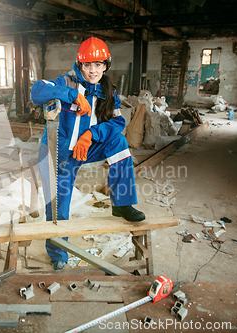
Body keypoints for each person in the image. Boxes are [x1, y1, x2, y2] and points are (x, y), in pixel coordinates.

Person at [31, 37, 145, 270]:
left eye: (98, 64)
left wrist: (91, 135)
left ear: (106, 66)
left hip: (86, 148)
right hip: (58, 153)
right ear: (80, 65)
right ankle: (58, 254)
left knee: (119, 142)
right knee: (58, 207)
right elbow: (37, 91)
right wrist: (71, 95)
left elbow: (118, 122)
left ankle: (122, 203)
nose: (92, 70)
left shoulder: (107, 90)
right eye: (87, 65)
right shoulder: (64, 82)